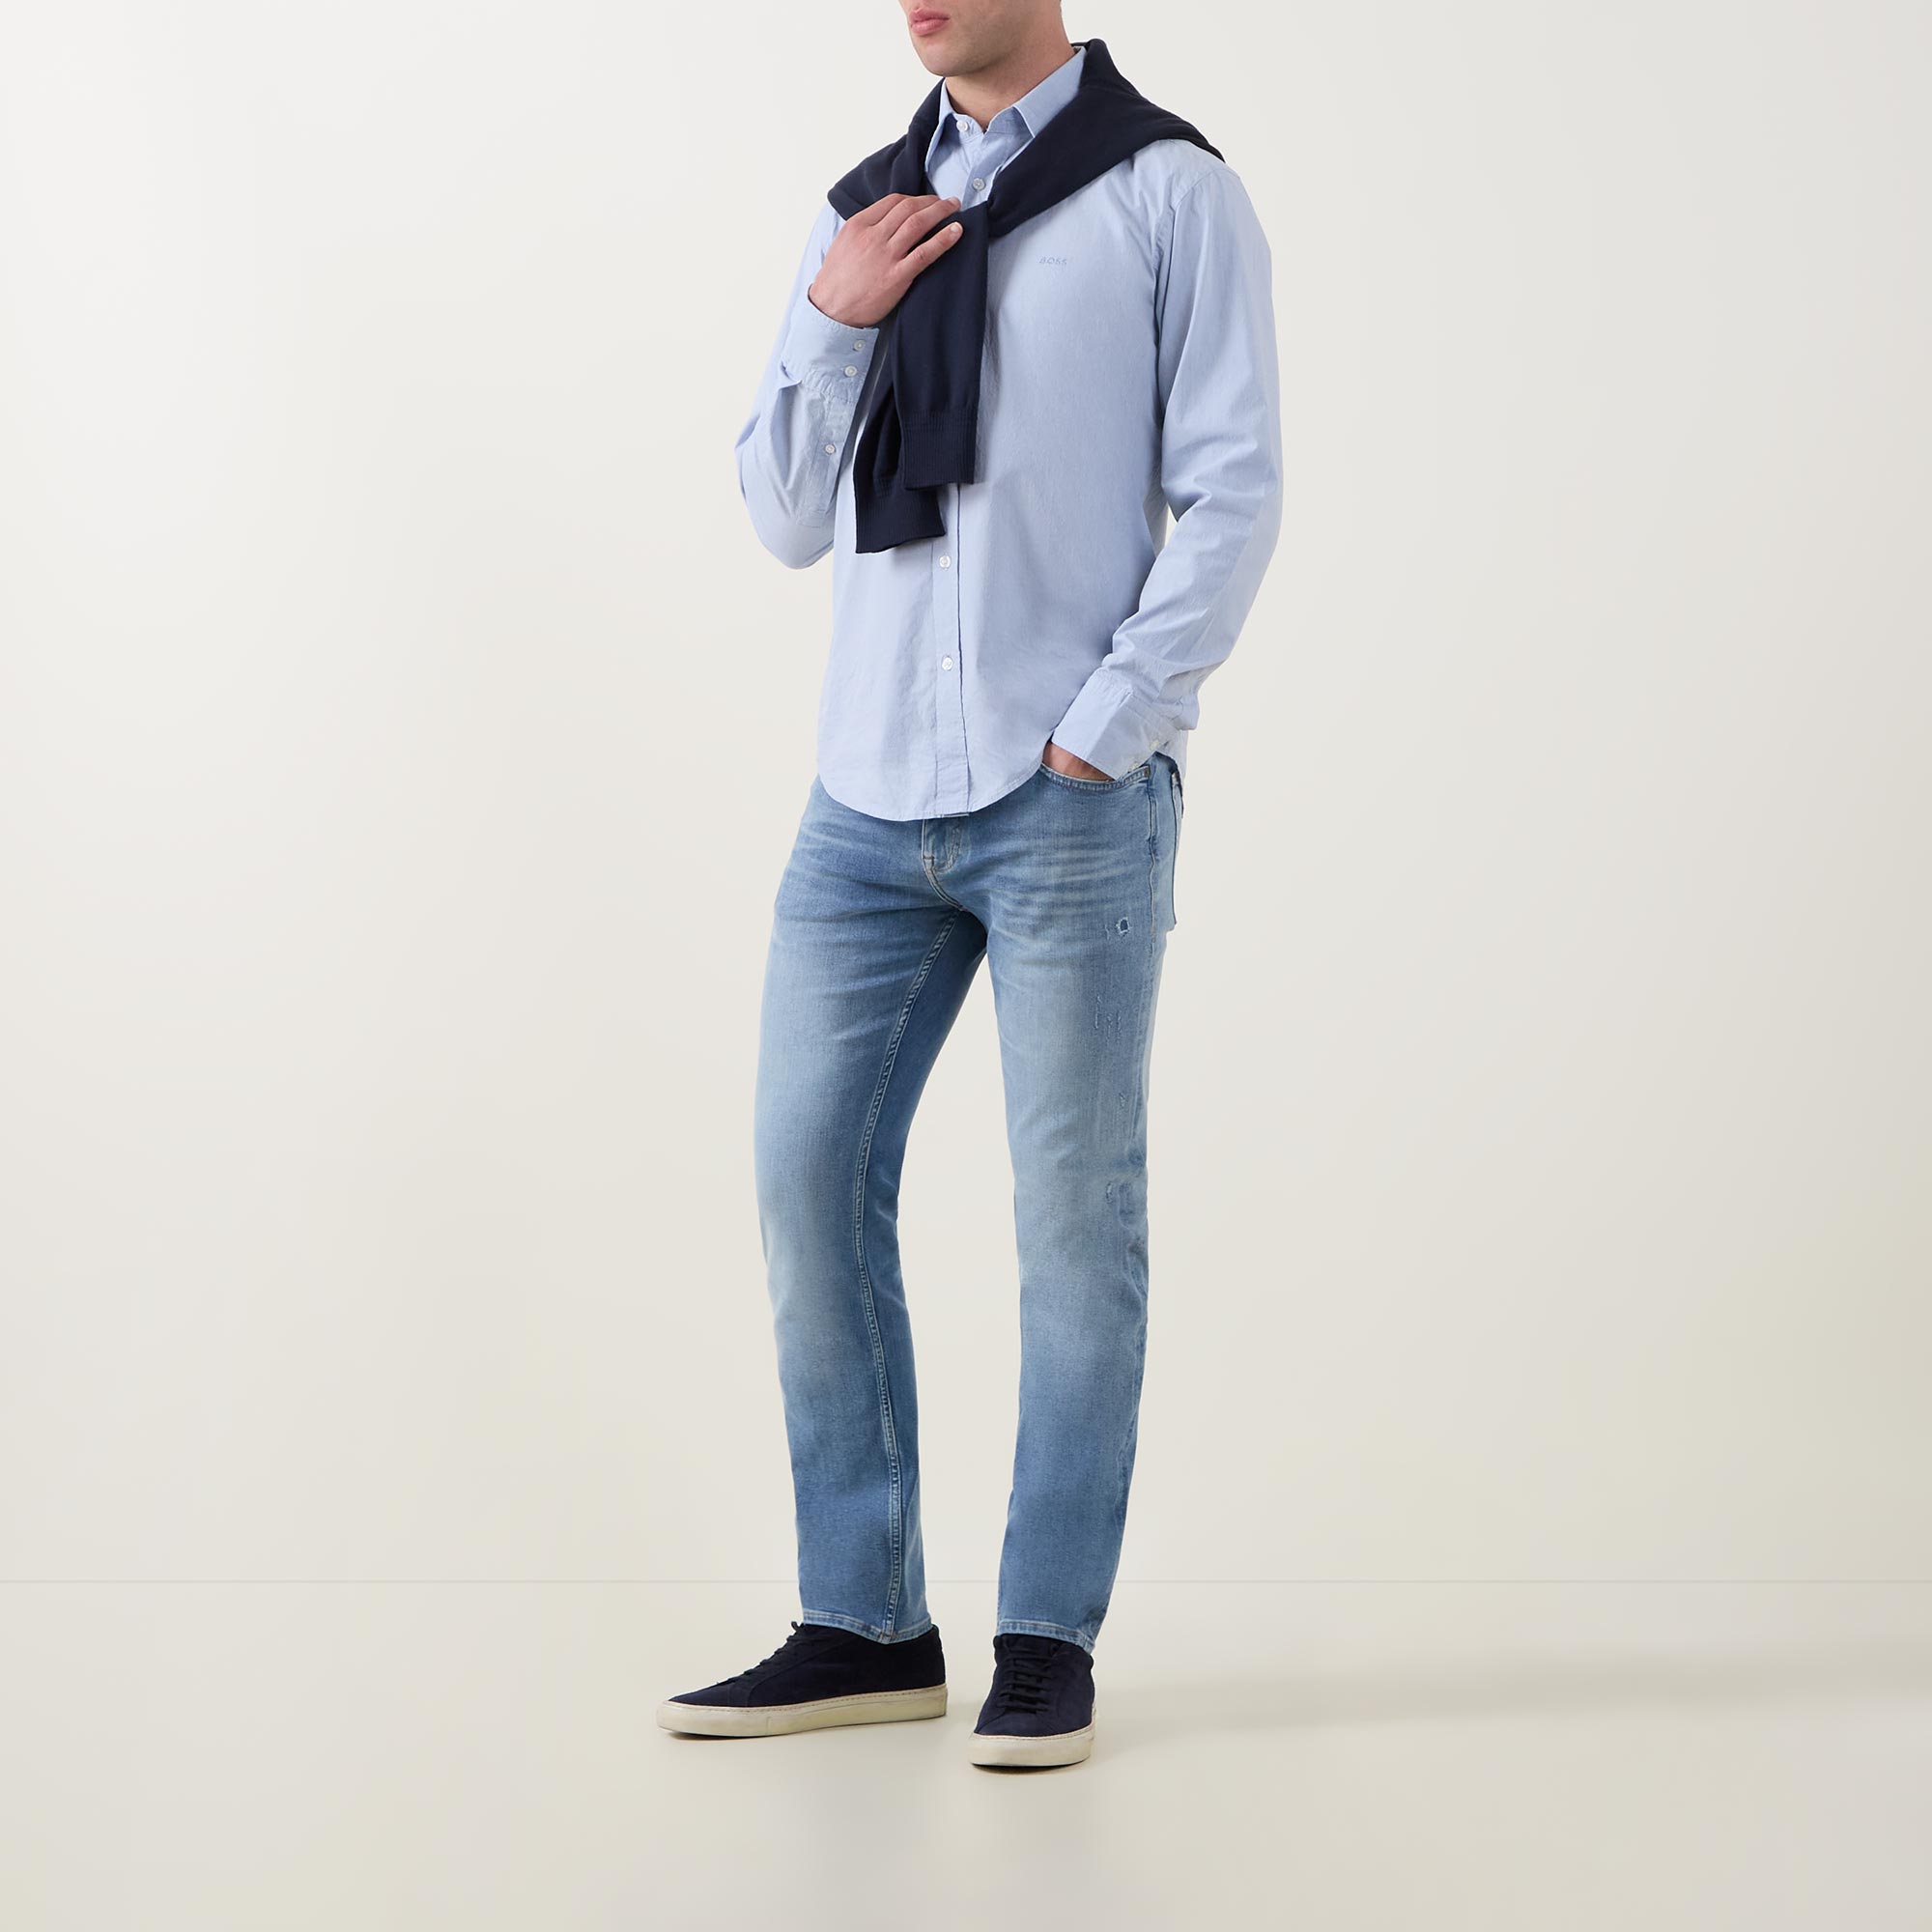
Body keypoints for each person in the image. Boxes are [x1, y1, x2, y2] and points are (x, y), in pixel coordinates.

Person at [658, 0, 1281, 1770]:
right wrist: (831, 313)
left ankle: (1045, 1636)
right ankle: (864, 1624)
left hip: (1063, 793)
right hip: (862, 799)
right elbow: (784, 513)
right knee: (805, 1180)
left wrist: (1109, 727)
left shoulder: (1167, 192)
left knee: (1075, 1227)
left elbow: (1234, 492)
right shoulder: (864, 211)